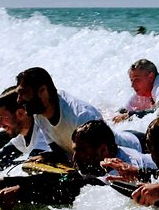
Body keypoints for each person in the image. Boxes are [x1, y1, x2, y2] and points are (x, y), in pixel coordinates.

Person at [15, 67, 143, 162]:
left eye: (23, 93)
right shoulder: (39, 115)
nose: (19, 100)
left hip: (137, 148)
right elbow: (60, 152)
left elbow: (108, 155)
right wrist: (49, 157)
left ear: (43, 91)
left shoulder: (81, 116)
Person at [71, 120, 156, 177]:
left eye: (81, 150)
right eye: (74, 150)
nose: (74, 157)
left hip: (142, 143)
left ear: (103, 150)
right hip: (127, 136)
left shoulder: (126, 169)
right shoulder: (105, 155)